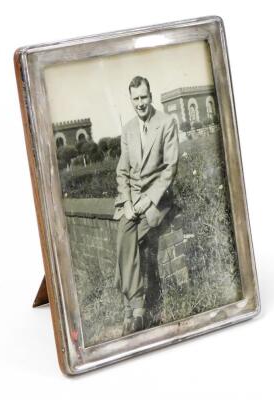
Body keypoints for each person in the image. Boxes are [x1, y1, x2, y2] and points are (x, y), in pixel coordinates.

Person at [113, 76, 179, 335]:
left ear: (151, 96)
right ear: (131, 100)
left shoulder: (166, 123)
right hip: (133, 201)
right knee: (123, 232)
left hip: (157, 199)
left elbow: (170, 168)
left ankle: (133, 306)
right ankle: (134, 304)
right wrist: (128, 203)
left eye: (144, 97)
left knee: (130, 239)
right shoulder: (128, 129)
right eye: (135, 99)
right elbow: (122, 172)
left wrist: (147, 200)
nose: (140, 103)